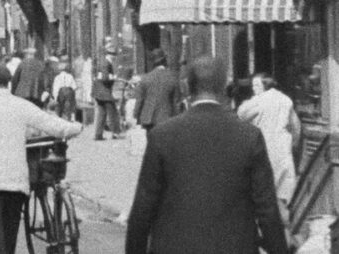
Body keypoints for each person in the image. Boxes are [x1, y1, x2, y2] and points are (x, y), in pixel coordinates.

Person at [125, 56, 288, 254]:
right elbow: (267, 209)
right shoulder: (248, 136)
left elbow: (143, 208)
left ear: (187, 88)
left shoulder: (162, 136)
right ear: (224, 88)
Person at [0, 63, 81, 254]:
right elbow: (52, 125)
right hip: (15, 182)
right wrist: (76, 127)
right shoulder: (21, 105)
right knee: (10, 236)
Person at [237, 72, 301, 228]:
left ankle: (268, 235)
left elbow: (241, 114)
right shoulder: (286, 100)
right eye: (253, 86)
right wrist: (293, 146)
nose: (254, 89)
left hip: (265, 151)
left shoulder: (258, 101)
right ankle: (285, 235)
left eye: (257, 85)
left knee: (264, 195)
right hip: (283, 152)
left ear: (266, 85)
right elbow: (296, 127)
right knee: (283, 197)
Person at [133, 49, 181, 133]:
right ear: (165, 61)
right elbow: (176, 101)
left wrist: (136, 114)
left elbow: (140, 100)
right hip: (167, 116)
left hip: (149, 117)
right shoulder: (173, 78)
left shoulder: (145, 78)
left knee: (152, 142)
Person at [92, 57, 122, 140]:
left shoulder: (103, 62)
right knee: (113, 112)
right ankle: (116, 133)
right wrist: (114, 77)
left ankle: (98, 134)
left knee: (102, 113)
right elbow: (105, 78)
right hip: (104, 92)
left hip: (99, 92)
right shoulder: (106, 63)